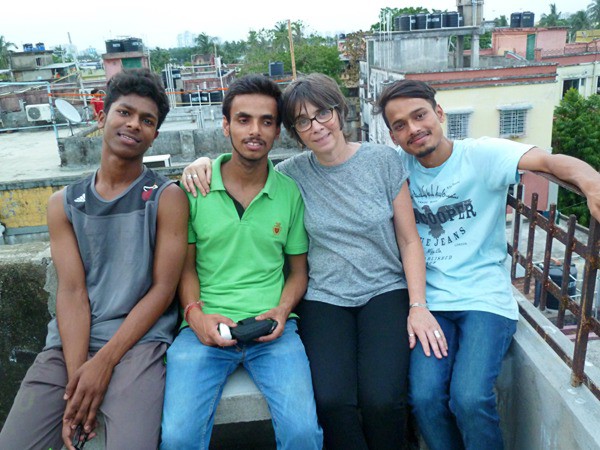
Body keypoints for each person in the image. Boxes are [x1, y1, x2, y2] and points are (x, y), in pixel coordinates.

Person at [181, 73, 445, 450]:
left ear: (339, 112)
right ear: (294, 132)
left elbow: (409, 239)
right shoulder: (292, 175)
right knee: (332, 401)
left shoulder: (383, 161)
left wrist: (418, 306)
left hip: (384, 291)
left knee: (383, 399)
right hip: (324, 297)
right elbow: (245, 172)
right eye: (303, 121)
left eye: (323, 113)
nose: (316, 126)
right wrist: (200, 163)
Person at [375, 79, 600, 450]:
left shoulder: (481, 155)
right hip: (429, 303)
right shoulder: (395, 169)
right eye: (400, 125)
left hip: (483, 297)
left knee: (469, 397)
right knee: (425, 399)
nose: (413, 128)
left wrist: (591, 182)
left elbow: (548, 161)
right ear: (393, 136)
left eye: (420, 115)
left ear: (439, 113)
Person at [0, 69, 189, 450]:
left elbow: (163, 290)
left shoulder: (165, 198)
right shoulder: (64, 204)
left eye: (147, 120)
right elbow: (72, 293)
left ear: (154, 134)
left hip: (138, 343)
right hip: (69, 343)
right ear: (101, 117)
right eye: (125, 112)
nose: (133, 124)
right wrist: (79, 381)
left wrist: (104, 363)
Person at [160, 74, 323, 450]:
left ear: (277, 130)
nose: (255, 131)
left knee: (302, 433)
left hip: (273, 332)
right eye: (243, 119)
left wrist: (282, 311)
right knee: (178, 437)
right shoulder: (195, 188)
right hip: (203, 330)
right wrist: (195, 315)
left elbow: (298, 272)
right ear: (226, 125)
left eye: (266, 121)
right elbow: (185, 267)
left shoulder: (289, 193)